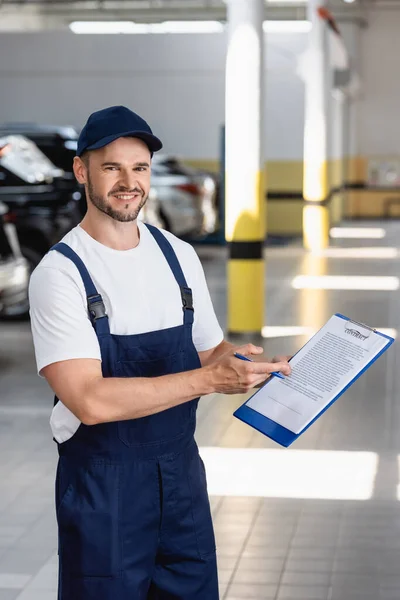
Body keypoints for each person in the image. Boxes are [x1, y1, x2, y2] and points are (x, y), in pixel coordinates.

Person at [28, 105, 291, 600]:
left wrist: (258, 366)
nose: (130, 182)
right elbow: (89, 401)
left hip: (182, 477)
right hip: (105, 488)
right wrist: (210, 380)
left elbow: (210, 350)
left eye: (140, 167)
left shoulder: (177, 254)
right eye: (112, 167)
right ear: (82, 171)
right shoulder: (61, 274)